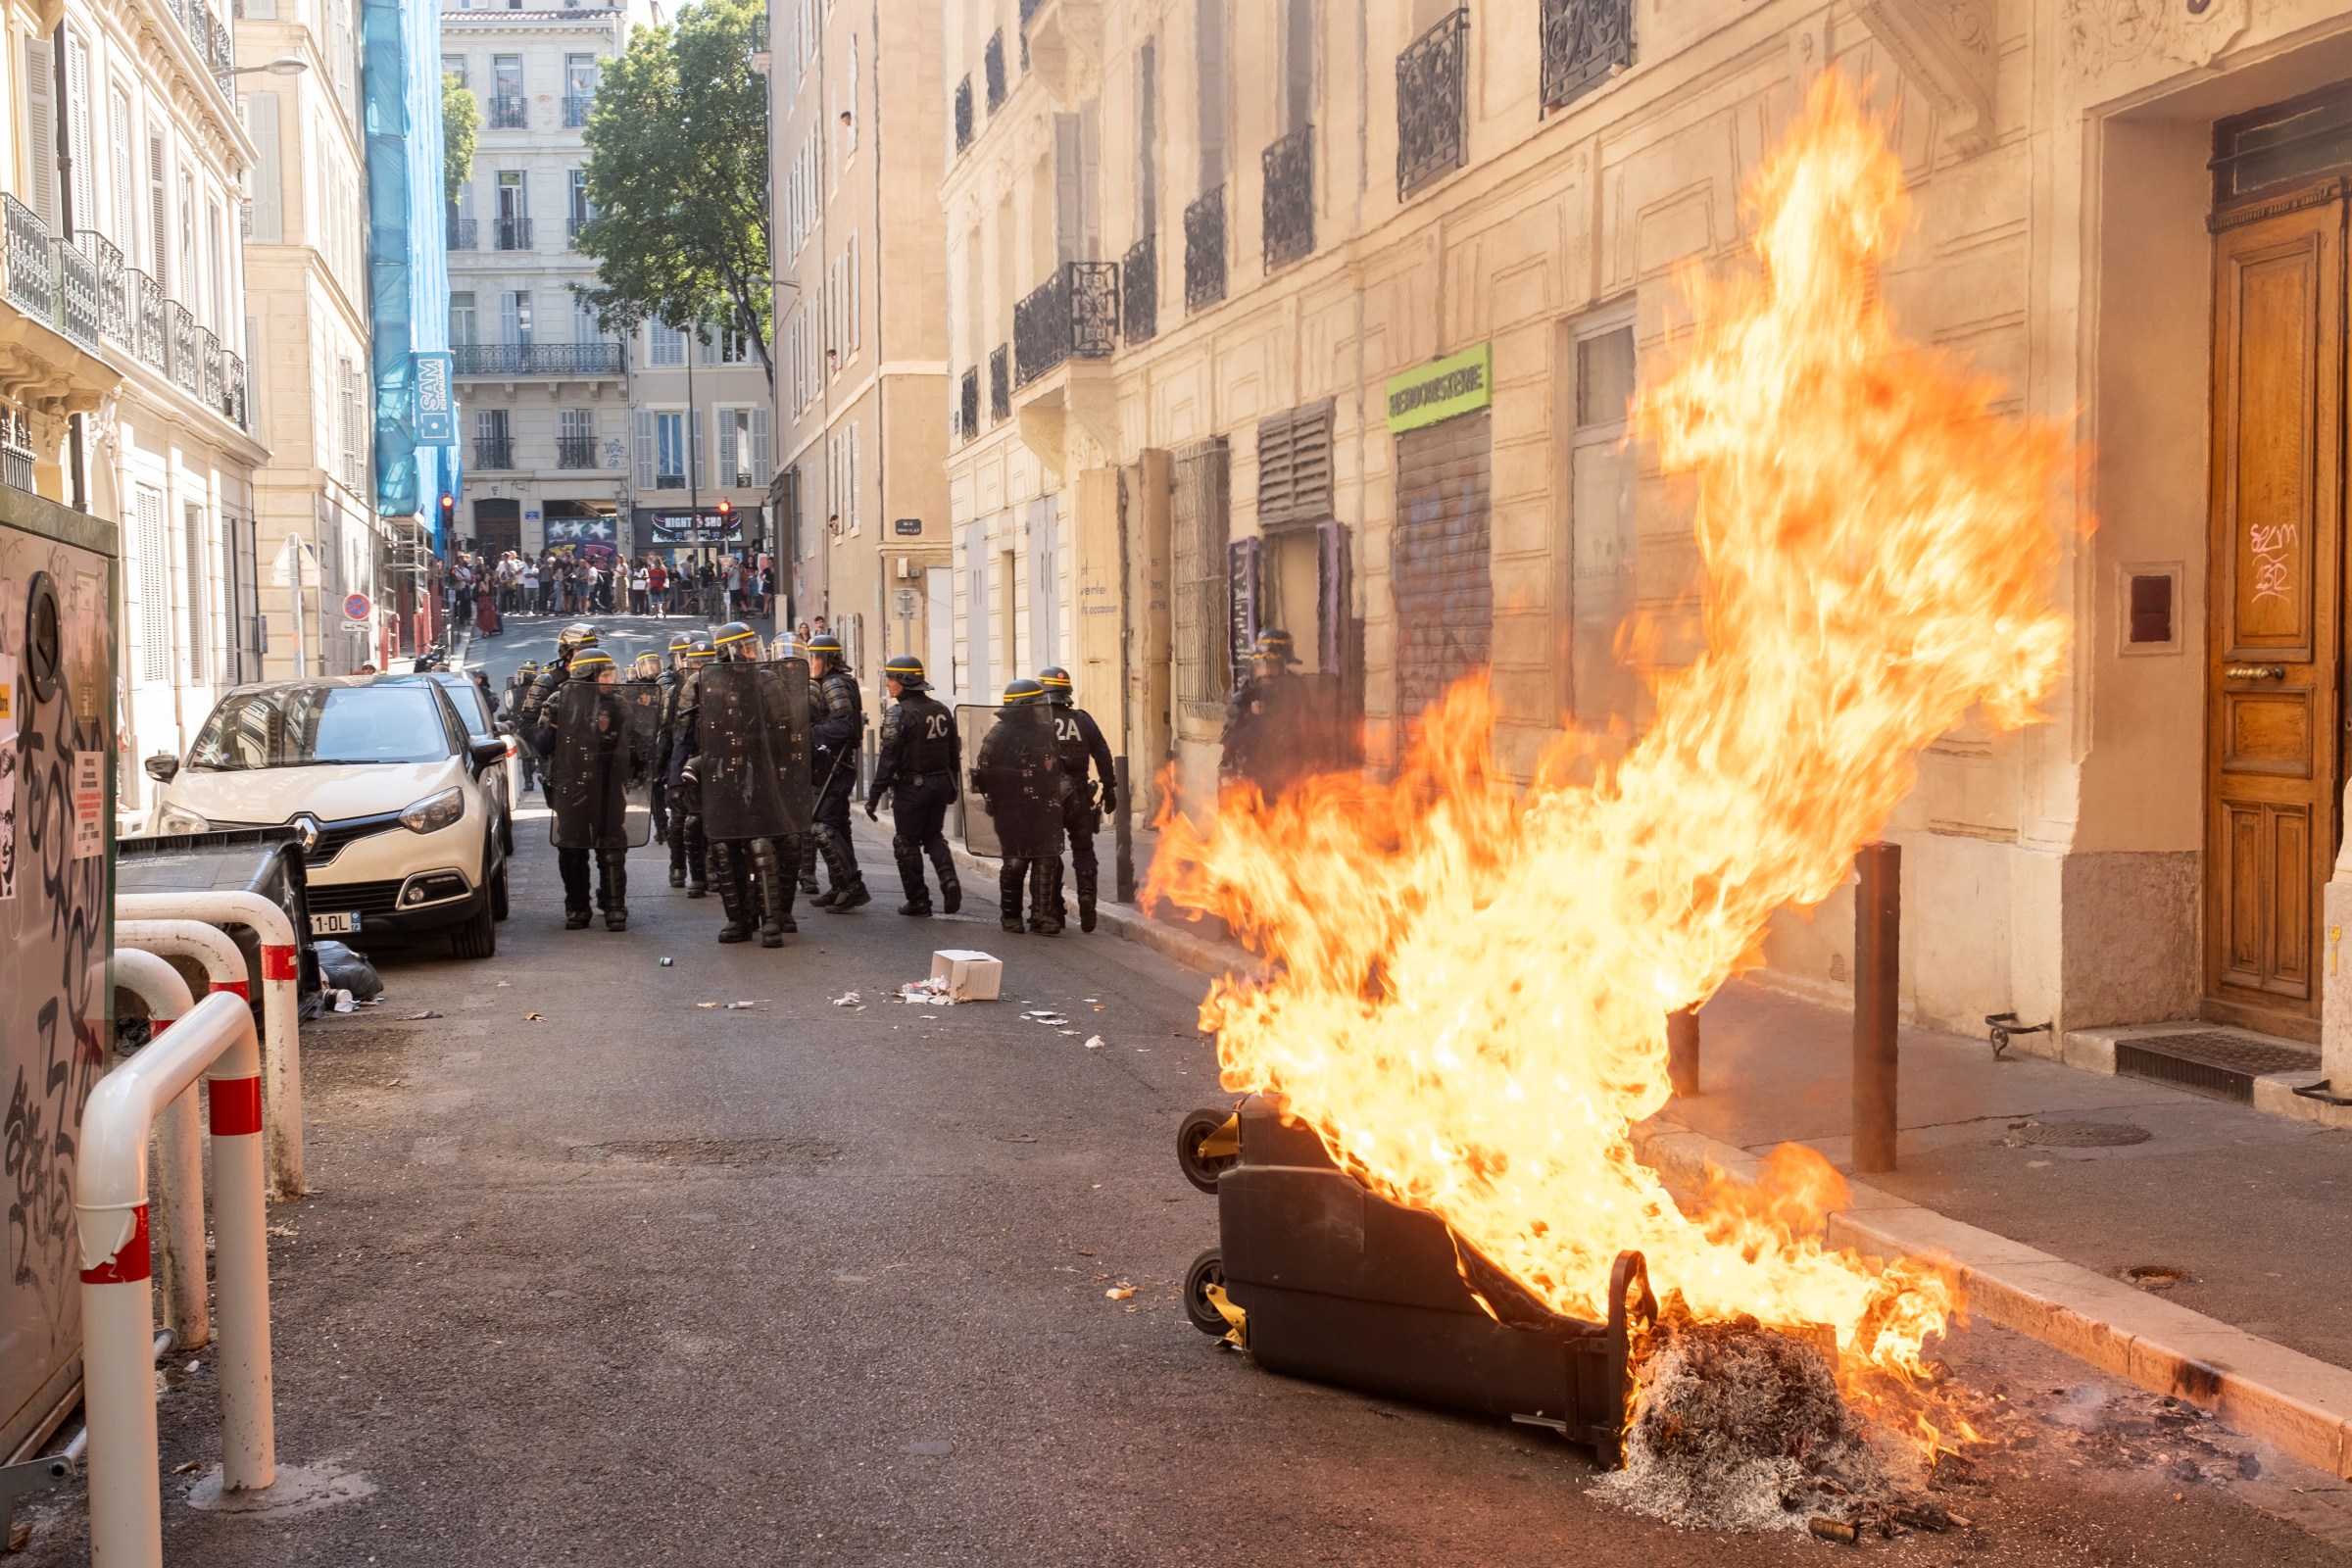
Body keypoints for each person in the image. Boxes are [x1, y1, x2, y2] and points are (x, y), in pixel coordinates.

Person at [674, 622, 804, 946]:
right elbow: (684, 735)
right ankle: (739, 920)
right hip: (720, 776)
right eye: (745, 648)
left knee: (762, 844)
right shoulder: (706, 684)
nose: (752, 652)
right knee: (723, 845)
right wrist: (676, 778)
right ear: (729, 651)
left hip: (762, 774)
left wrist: (786, 772)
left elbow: (786, 733)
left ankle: (772, 919)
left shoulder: (768, 681)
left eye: (751, 646)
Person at [524, 648, 644, 931]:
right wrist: (554, 725)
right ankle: (578, 906)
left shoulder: (619, 704)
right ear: (586, 675)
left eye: (610, 674)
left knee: (612, 845)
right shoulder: (558, 701)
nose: (610, 680)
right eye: (604, 674)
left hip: (607, 785)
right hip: (571, 784)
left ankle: (615, 905)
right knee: (572, 847)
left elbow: (636, 743)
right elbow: (540, 745)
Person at [865, 655, 961, 917]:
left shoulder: (899, 713)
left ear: (904, 681)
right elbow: (954, 751)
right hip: (940, 784)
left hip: (912, 789)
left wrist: (874, 796)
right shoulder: (941, 709)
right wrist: (953, 786)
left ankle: (919, 901)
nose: (887, 684)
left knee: (906, 842)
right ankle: (949, 879)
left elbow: (888, 759)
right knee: (933, 836)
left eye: (891, 678)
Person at [969, 678, 1066, 935]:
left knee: (1046, 859)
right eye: (1035, 704)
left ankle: (1042, 916)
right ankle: (1011, 915)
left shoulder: (1046, 732)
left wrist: (1060, 786)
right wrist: (1021, 775)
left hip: (1042, 806)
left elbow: (1057, 765)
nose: (1041, 709)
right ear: (1022, 707)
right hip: (1010, 808)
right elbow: (984, 775)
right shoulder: (999, 733)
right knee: (1016, 862)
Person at [1038, 666, 1118, 933]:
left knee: (1049, 852)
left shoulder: (1037, 719)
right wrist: (1109, 787)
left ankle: (1054, 908)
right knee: (1084, 849)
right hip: (1081, 796)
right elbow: (1102, 753)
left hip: (1048, 798)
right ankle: (1087, 898)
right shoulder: (1083, 719)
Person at [804, 631, 870, 911]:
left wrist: (808, 732)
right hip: (831, 765)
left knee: (824, 827)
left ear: (829, 660)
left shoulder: (834, 684)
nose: (812, 662)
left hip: (835, 766)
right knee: (838, 827)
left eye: (816, 657)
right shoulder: (831, 682)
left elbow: (843, 727)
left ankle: (852, 887)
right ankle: (841, 885)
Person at [661, 639, 716, 895]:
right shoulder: (679, 693)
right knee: (690, 822)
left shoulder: (729, 685)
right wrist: (673, 779)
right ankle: (694, 875)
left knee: (720, 821)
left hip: (724, 762)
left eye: (707, 661)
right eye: (697, 662)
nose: (702, 667)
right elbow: (676, 739)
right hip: (693, 764)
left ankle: (716, 871)